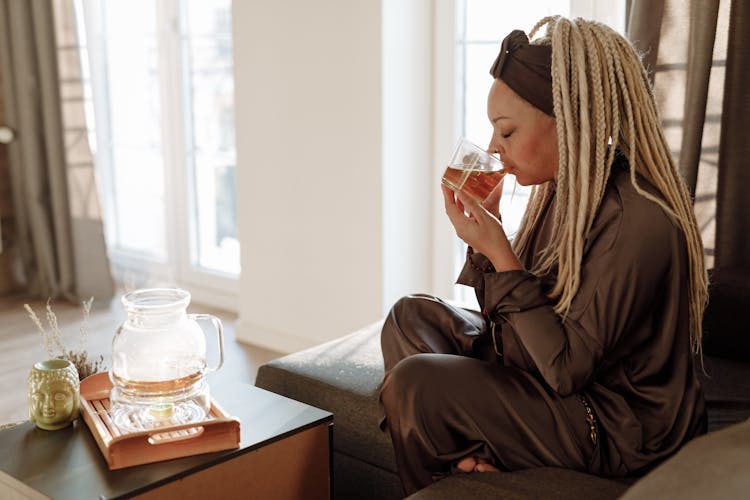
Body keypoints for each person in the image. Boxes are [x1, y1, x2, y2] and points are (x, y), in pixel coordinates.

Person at [379, 15, 708, 496]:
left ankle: (453, 482)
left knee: (416, 384)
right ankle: (474, 470)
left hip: (617, 426)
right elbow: (511, 326)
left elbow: (567, 367)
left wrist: (499, 251)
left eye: (507, 133)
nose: (494, 148)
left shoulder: (639, 217)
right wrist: (482, 246)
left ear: (569, 124)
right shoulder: (563, 190)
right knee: (411, 318)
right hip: (555, 384)